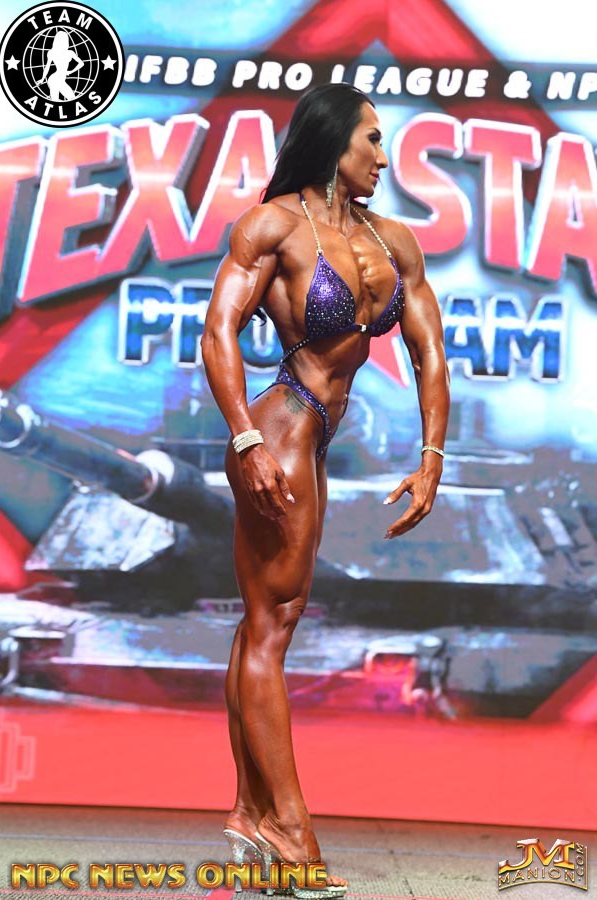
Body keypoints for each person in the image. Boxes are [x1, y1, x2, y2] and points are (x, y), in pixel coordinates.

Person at [201, 83, 450, 896]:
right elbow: (218, 332)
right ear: (333, 140)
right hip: (277, 432)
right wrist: (244, 439)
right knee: (271, 627)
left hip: (315, 438)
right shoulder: (273, 226)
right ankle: (290, 828)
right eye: (371, 139)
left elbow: (429, 353)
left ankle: (250, 811)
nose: (384, 156)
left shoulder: (392, 241)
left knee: (266, 625)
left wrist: (432, 456)